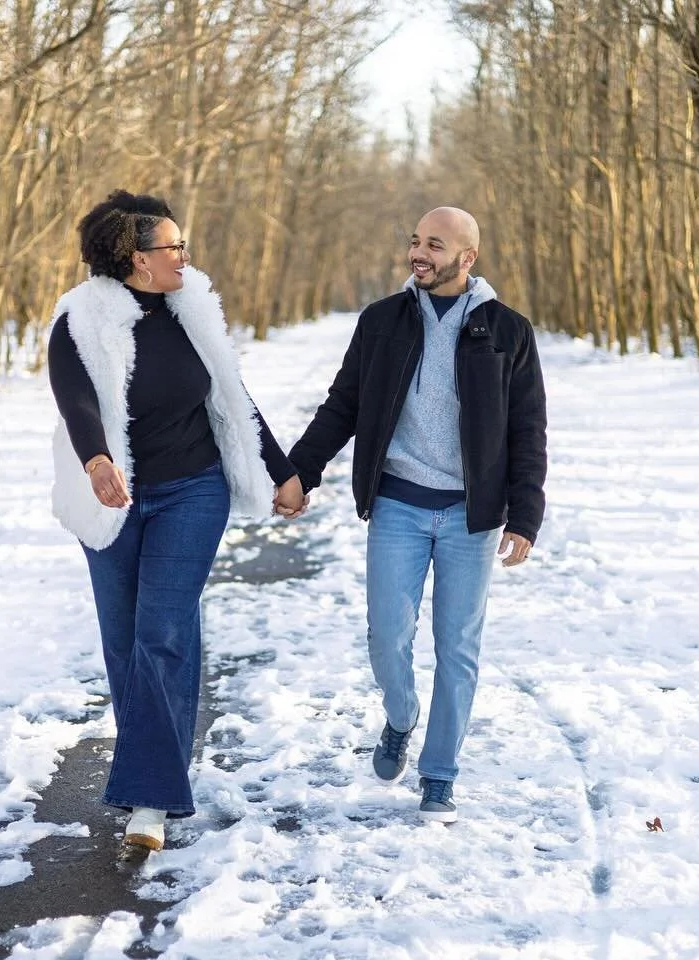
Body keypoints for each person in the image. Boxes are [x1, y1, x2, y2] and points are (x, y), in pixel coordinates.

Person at [47, 190, 306, 853]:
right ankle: (158, 773)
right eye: (174, 247)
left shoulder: (194, 312)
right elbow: (75, 398)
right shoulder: (81, 321)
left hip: (194, 490)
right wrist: (98, 460)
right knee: (126, 640)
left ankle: (150, 802)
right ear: (138, 259)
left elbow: (231, 394)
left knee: (160, 631)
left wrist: (281, 469)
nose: (185, 257)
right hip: (115, 497)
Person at [288, 206, 547, 823]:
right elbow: (342, 405)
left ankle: (438, 775)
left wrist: (525, 515)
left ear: (467, 258)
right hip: (399, 504)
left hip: (471, 516)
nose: (418, 254)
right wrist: (301, 470)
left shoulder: (509, 332)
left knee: (457, 647)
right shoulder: (382, 322)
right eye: (414, 242)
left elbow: (528, 431)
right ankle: (401, 716)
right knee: (387, 637)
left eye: (435, 244)